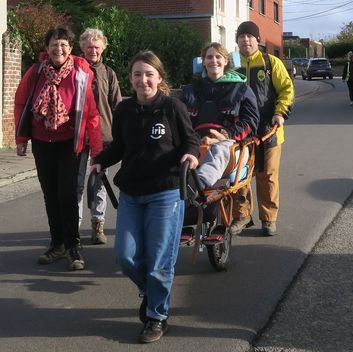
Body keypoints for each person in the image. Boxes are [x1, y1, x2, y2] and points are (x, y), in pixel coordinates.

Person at [90, 51, 200, 343]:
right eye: (137, 74)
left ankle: (157, 316)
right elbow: (118, 147)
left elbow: (191, 139)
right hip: (132, 193)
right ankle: (151, 293)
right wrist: (101, 159)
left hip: (166, 192)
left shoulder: (173, 107)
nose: (143, 80)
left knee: (159, 262)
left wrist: (191, 153)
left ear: (159, 78)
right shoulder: (125, 110)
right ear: (131, 79)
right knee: (125, 257)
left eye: (149, 74)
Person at [14, 26, 102, 271]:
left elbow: (91, 113)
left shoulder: (80, 73)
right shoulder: (35, 72)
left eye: (63, 44)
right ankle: (57, 244)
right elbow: (21, 102)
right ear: (47, 47)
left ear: (71, 48)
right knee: (50, 194)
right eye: (54, 43)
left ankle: (73, 246)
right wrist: (21, 138)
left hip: (69, 143)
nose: (58, 48)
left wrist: (96, 148)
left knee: (67, 194)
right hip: (42, 142)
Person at [232, 21, 294, 236]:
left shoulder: (271, 63)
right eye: (242, 36)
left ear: (258, 40)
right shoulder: (232, 65)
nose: (246, 40)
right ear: (237, 40)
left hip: (269, 129)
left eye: (250, 36)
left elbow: (286, 89)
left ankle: (269, 218)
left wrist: (280, 113)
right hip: (241, 131)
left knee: (267, 175)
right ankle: (241, 216)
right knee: (240, 176)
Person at [180, 42, 259, 189]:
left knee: (220, 150)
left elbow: (251, 122)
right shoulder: (190, 90)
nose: (213, 61)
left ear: (226, 61)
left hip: (230, 144)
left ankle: (199, 185)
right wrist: (195, 139)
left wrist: (225, 134)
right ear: (203, 62)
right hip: (196, 143)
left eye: (218, 57)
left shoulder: (241, 89)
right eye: (209, 57)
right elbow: (179, 122)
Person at [76, 28, 122, 245]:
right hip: (77, 135)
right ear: (82, 48)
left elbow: (118, 106)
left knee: (99, 183)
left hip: (103, 136)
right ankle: (73, 228)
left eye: (96, 46)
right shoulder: (75, 69)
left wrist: (122, 133)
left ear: (103, 47)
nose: (93, 50)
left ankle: (98, 225)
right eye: (88, 46)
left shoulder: (109, 73)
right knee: (76, 184)